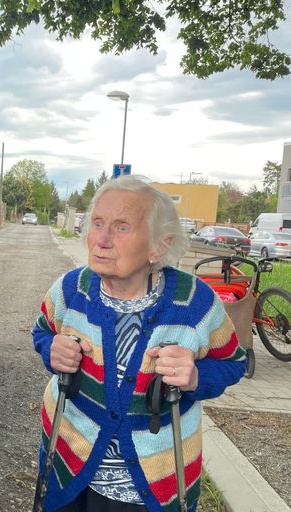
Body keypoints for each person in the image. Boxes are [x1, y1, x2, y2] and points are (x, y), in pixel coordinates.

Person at [32, 176, 246, 512]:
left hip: (150, 488)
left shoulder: (195, 303)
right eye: (97, 223)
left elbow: (234, 362)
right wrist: (51, 349)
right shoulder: (71, 289)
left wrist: (195, 379)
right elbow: (43, 331)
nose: (101, 239)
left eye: (121, 228)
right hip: (69, 469)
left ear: (159, 246)